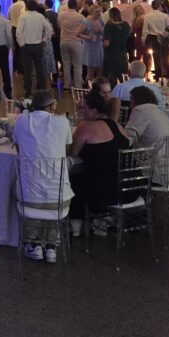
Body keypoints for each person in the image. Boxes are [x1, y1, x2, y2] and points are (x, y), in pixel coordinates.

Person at [12, 89, 73, 262]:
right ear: (51, 106)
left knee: (20, 188)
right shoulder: (63, 122)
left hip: (28, 200)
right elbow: (66, 150)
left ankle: (33, 243)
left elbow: (18, 149)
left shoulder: (21, 121)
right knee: (54, 188)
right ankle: (52, 245)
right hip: (60, 200)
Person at [68, 88, 135, 236]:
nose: (81, 112)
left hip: (106, 192)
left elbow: (72, 153)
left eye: (83, 109)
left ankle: (75, 227)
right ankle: (100, 222)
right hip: (129, 187)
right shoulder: (117, 125)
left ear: (93, 110)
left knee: (73, 179)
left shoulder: (85, 127)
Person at [122, 85, 169, 185]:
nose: (131, 105)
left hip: (155, 175)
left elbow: (127, 139)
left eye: (131, 101)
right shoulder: (159, 111)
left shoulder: (140, 110)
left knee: (120, 166)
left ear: (136, 100)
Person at [16, 0, 52, 97]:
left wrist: (22, 44)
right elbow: (49, 29)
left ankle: (28, 92)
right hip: (38, 46)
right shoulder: (40, 16)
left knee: (27, 70)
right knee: (40, 69)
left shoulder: (23, 17)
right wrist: (44, 40)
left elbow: (18, 32)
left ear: (27, 7)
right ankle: (42, 91)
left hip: (26, 46)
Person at [142, 0, 169, 81]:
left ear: (152, 6)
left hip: (153, 38)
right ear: (159, 6)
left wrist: (143, 40)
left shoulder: (147, 16)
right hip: (164, 37)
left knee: (156, 57)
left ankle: (158, 75)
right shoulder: (165, 16)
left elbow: (145, 30)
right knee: (167, 56)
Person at [58, 0, 87, 90]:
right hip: (76, 41)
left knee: (66, 64)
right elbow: (86, 27)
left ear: (68, 6)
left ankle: (67, 85)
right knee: (77, 65)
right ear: (76, 6)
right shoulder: (80, 17)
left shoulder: (61, 15)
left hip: (63, 41)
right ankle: (78, 85)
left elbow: (59, 26)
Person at [102, 7, 131, 85]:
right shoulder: (125, 25)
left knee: (111, 79)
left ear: (110, 16)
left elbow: (106, 43)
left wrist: (102, 45)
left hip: (111, 54)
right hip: (123, 54)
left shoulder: (108, 26)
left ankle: (113, 94)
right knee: (123, 77)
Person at [81, 4, 105, 82]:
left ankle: (98, 87)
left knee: (100, 69)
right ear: (91, 12)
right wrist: (88, 37)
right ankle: (89, 88)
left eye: (100, 12)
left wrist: (101, 31)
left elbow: (103, 33)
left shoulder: (100, 21)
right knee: (91, 71)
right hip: (90, 47)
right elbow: (78, 34)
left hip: (99, 46)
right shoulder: (86, 21)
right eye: (97, 12)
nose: (99, 13)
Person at [8, 0, 27, 73]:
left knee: (15, 49)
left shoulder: (12, 6)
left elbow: (8, 17)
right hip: (21, 29)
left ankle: (14, 67)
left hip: (13, 28)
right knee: (22, 48)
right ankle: (21, 69)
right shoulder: (24, 6)